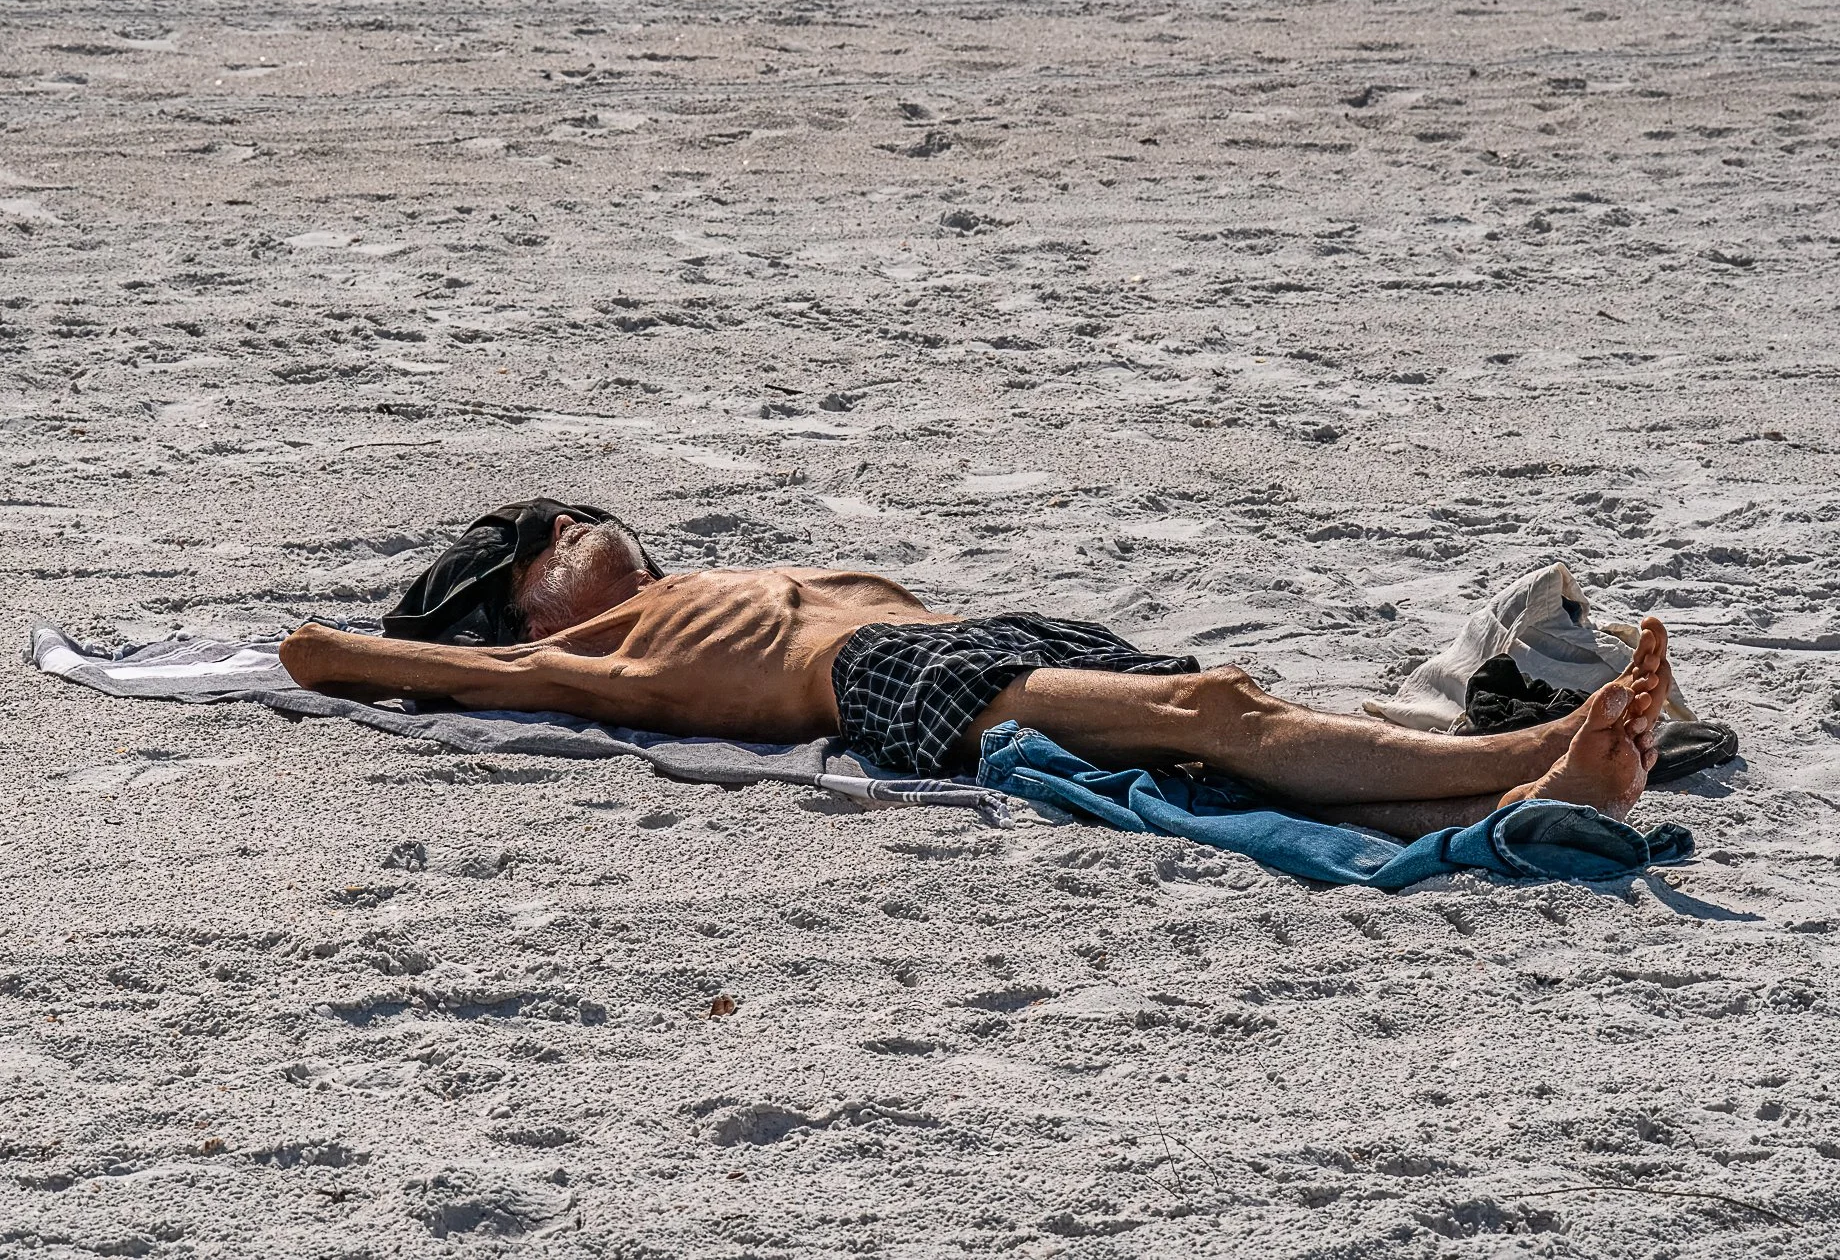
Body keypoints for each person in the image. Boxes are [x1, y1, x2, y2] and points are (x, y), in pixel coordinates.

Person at [279, 510, 1671, 840]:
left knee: (1219, 712)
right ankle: (1526, 765)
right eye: (548, 541)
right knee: (1212, 714)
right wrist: (332, 649)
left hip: (980, 630)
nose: (577, 527)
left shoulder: (695, 581)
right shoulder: (589, 654)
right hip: (887, 681)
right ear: (518, 607)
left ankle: (1471, 778)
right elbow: (339, 655)